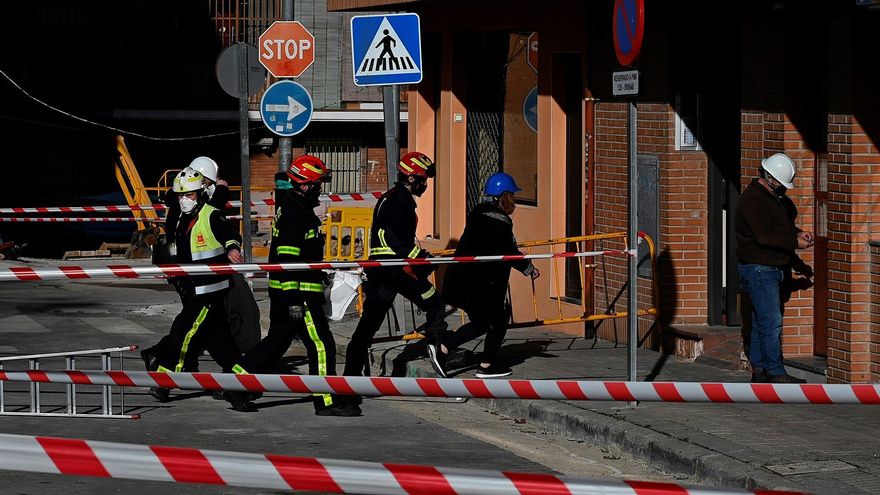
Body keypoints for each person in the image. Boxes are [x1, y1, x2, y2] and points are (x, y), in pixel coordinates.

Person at [231, 155, 360, 416]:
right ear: (304, 185)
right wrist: (293, 301)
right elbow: (288, 259)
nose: (319, 188)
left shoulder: (295, 208)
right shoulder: (294, 213)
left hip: (290, 292)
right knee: (322, 344)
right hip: (299, 294)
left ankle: (235, 385)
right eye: (317, 183)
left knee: (276, 343)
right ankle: (326, 400)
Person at [142, 167, 246, 404]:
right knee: (221, 343)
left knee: (184, 335)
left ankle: (164, 382)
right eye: (180, 196)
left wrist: (232, 248)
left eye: (188, 195)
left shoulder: (211, 214)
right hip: (192, 290)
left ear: (200, 194)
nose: (184, 200)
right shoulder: (181, 218)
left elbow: (229, 234)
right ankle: (241, 385)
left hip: (207, 291)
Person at [343, 152, 447, 385]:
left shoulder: (388, 198)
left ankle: (350, 377)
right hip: (396, 269)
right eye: (423, 180)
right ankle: (437, 347)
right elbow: (396, 240)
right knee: (434, 303)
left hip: (379, 270)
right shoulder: (401, 202)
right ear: (411, 179)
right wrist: (421, 260)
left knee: (369, 323)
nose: (425, 185)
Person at [428, 172, 539, 378]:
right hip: (482, 283)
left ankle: (447, 349)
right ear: (505, 196)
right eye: (513, 196)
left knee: (482, 322)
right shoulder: (500, 220)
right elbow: (507, 250)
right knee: (498, 318)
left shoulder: (479, 213)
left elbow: (494, 247)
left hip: (465, 279)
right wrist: (528, 267)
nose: (515, 201)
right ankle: (484, 365)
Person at [735, 153, 813, 384]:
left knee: (762, 322)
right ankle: (775, 372)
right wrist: (794, 243)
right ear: (768, 177)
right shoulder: (753, 200)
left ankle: (760, 370)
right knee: (771, 321)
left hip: (770, 267)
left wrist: (796, 233)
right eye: (780, 183)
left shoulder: (773, 198)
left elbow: (780, 227)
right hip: (760, 268)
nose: (783, 189)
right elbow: (764, 236)